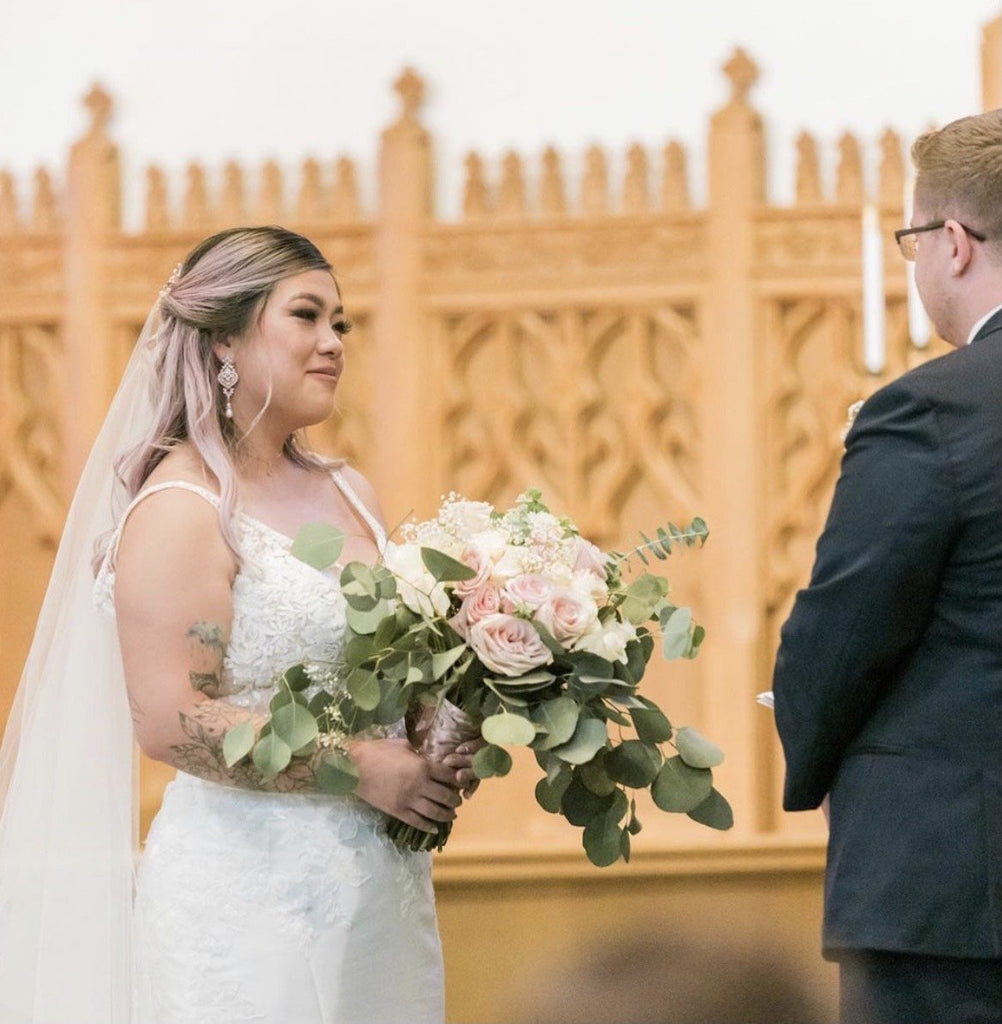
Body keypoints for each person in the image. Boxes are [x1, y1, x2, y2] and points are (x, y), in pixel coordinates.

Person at [0, 226, 479, 1024]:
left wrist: (443, 728)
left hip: (381, 899)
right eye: (306, 316)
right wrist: (360, 767)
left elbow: (385, 669)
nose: (333, 342)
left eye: (341, 323)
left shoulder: (350, 491)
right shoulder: (182, 509)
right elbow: (170, 721)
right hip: (248, 902)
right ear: (224, 338)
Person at [772, 108, 1002, 1024]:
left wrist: (818, 756)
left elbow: (842, 635)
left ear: (952, 243)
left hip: (957, 887)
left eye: (912, 241)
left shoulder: (931, 411)